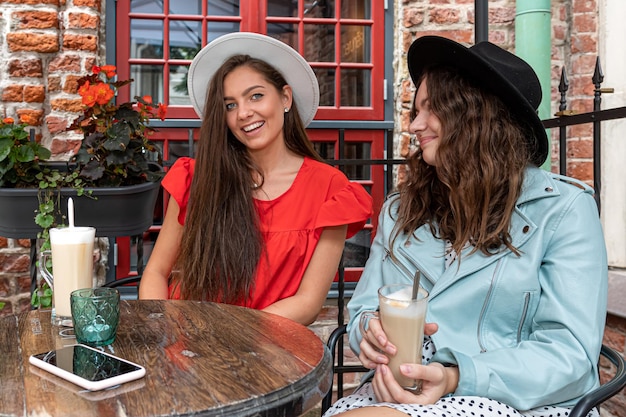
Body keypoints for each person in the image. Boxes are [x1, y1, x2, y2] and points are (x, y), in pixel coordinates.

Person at [323, 36, 608, 417]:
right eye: (415, 111)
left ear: (475, 117)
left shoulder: (563, 211)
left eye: (430, 110)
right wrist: (369, 333)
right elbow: (362, 310)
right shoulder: (401, 210)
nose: (415, 125)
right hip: (398, 389)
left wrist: (457, 376)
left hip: (516, 401)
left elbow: (569, 356)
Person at [139, 32, 372, 326]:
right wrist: (160, 331)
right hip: (187, 347)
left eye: (256, 96)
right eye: (230, 105)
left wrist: (230, 336)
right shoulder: (196, 178)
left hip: (270, 355)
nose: (244, 113)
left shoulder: (330, 189)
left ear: (285, 98)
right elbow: (157, 272)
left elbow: (309, 303)